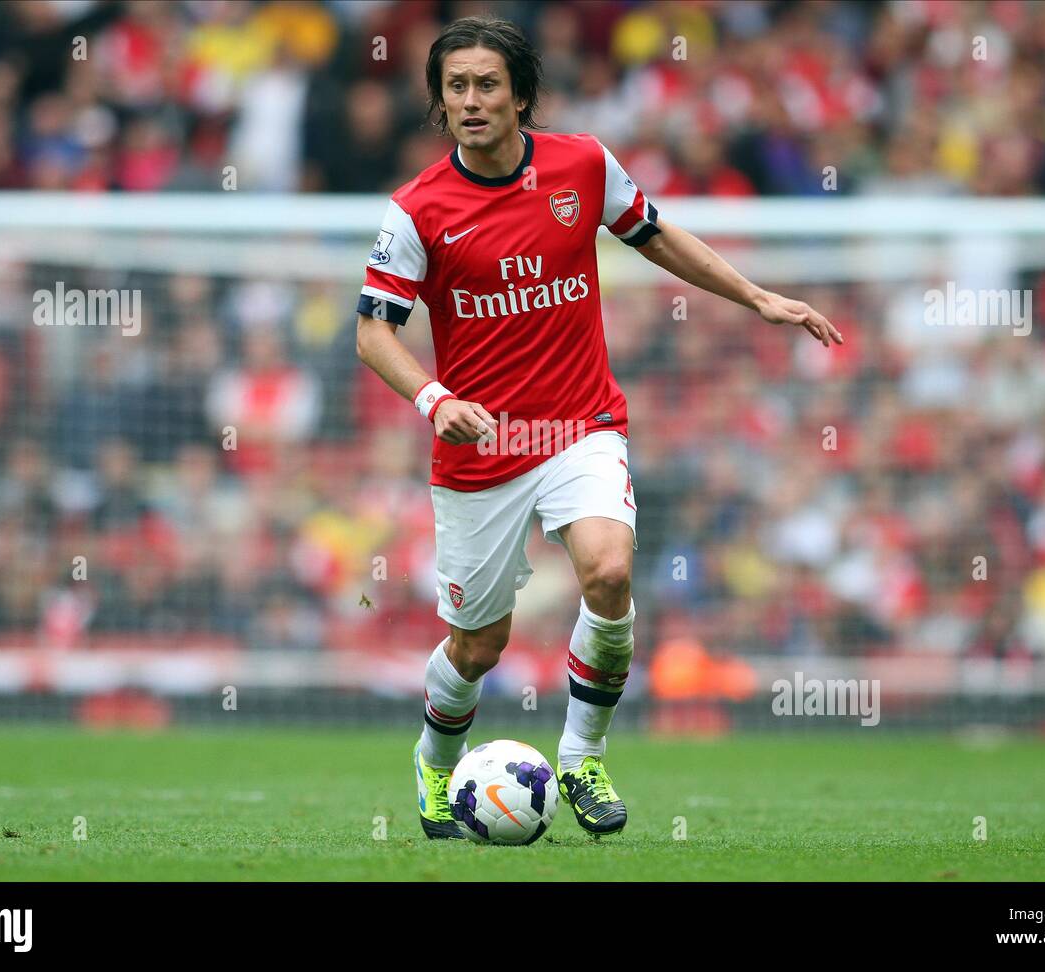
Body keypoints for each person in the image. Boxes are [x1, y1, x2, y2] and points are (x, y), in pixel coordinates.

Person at [355, 16, 842, 839]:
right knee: (478, 648)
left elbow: (655, 236)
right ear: (441, 101)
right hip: (481, 449)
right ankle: (434, 768)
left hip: (581, 423)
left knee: (609, 573)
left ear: (519, 96)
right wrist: (438, 401)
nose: (471, 101)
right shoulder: (417, 211)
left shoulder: (583, 164)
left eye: (487, 85)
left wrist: (756, 295)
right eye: (456, 87)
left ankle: (582, 755)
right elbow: (373, 332)